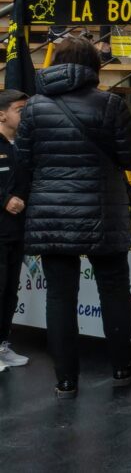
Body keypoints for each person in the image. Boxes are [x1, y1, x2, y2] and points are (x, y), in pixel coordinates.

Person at [15, 36, 131, 399]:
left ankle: (66, 380)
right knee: (114, 291)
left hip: (51, 213)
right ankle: (121, 366)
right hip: (103, 212)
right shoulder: (111, 104)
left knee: (59, 297)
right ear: (94, 65)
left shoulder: (35, 108)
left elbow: (24, 162)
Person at [0, 90, 30, 371]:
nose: (25, 114)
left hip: (17, 232)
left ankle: (2, 344)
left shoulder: (23, 144)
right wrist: (4, 199)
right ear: (2, 114)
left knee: (10, 291)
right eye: (20, 110)